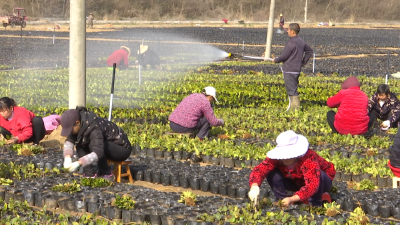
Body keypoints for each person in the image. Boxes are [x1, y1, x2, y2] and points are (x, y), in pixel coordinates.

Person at [248, 130, 335, 207]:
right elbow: (260, 169)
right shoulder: (276, 158)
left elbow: (312, 185)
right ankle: (283, 201)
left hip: (322, 182)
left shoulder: (308, 158)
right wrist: (254, 187)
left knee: (319, 175)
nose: (285, 158)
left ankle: (315, 204)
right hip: (295, 181)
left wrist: (292, 199)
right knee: (272, 173)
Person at [60, 107, 132, 181]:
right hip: (106, 146)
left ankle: (107, 174)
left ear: (77, 122)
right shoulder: (79, 125)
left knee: (93, 144)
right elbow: (70, 140)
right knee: (80, 142)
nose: (70, 132)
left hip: (121, 148)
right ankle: (89, 173)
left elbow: (98, 152)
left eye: (70, 129)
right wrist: (67, 157)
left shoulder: (94, 128)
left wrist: (79, 163)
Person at [273, 23, 313, 110]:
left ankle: (295, 108)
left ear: (293, 32)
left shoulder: (291, 43)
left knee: (291, 90)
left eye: (288, 30)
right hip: (296, 70)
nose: (287, 31)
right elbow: (309, 51)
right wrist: (303, 62)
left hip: (289, 70)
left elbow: (284, 56)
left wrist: (276, 60)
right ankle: (292, 107)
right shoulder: (301, 41)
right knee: (293, 87)